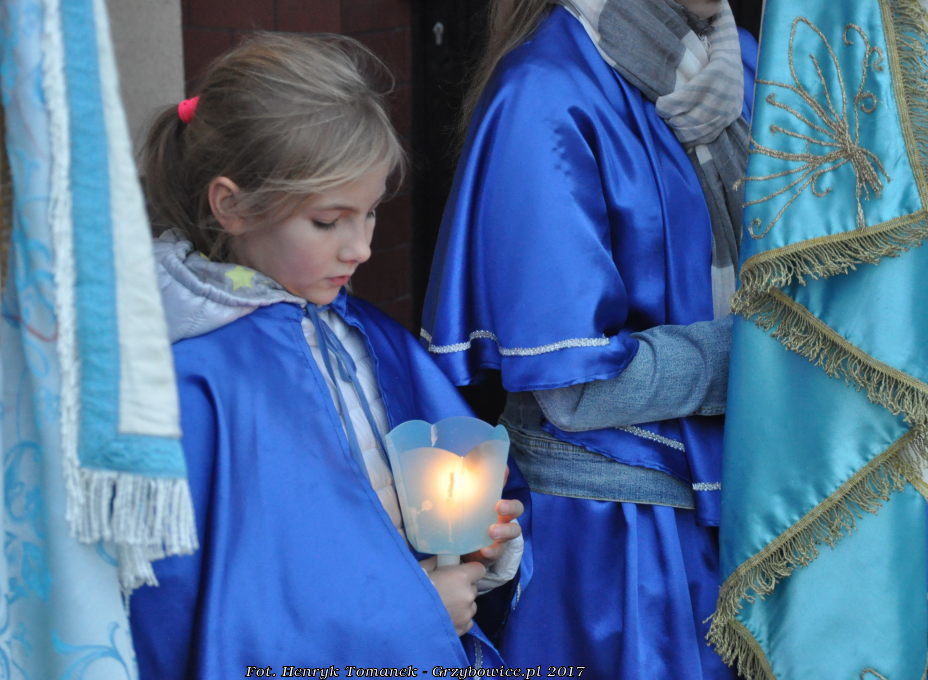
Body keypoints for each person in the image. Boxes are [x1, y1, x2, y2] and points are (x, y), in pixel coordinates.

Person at [129, 32, 527, 676]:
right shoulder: (193, 379)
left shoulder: (364, 335)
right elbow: (217, 612)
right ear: (232, 205)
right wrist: (417, 613)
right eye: (328, 220)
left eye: (369, 214)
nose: (360, 248)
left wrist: (479, 546)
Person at [421, 0, 757, 677]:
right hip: (620, 539)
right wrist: (761, 355)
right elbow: (574, 390)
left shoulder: (745, 56)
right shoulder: (542, 92)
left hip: (747, 497)